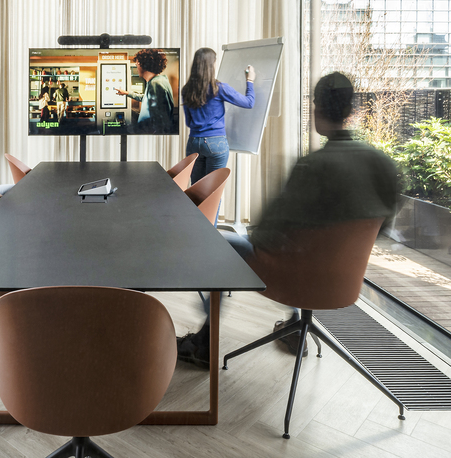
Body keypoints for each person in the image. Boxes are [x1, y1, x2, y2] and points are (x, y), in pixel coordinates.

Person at [177, 72, 398, 367]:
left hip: (293, 278)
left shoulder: (312, 166)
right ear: (350, 110)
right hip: (344, 281)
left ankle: (203, 345)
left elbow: (265, 236)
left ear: (317, 110)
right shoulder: (383, 164)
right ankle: (293, 325)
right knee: (303, 247)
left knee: (219, 242)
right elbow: (383, 227)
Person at [182, 47, 255, 187]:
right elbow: (249, 103)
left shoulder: (186, 89)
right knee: (212, 193)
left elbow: (189, 122)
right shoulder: (219, 88)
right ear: (212, 65)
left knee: (196, 190)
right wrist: (250, 81)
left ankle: (195, 210)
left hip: (193, 143)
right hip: (216, 143)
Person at [114, 48, 175, 133]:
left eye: (138, 63)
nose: (136, 65)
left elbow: (159, 120)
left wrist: (135, 129)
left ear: (144, 64)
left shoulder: (155, 84)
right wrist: (127, 93)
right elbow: (146, 99)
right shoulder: (158, 81)